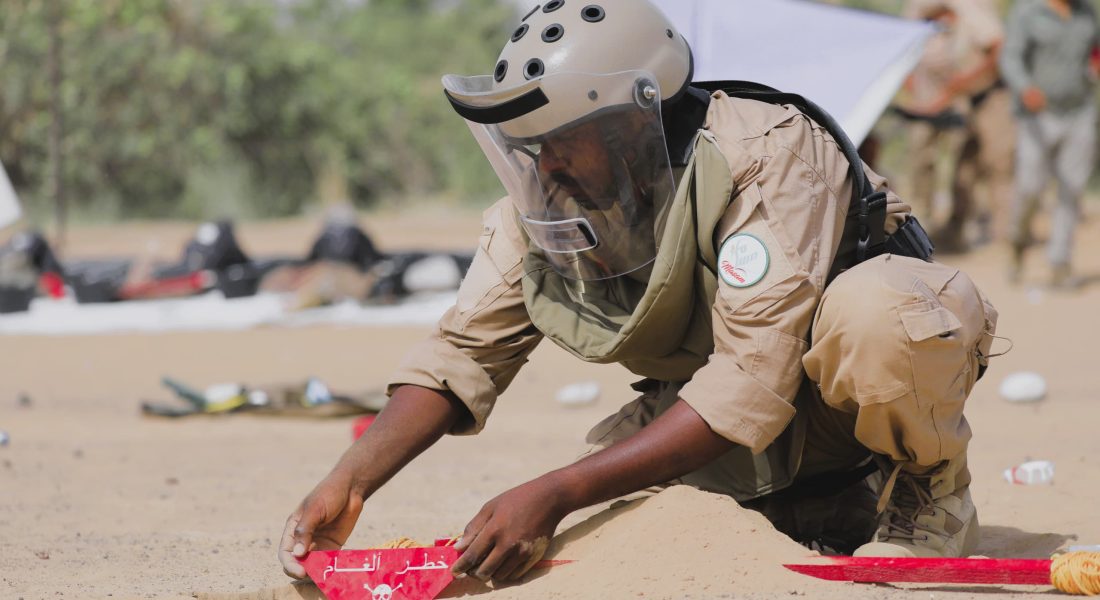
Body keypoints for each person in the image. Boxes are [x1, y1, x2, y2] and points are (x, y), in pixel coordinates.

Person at [280, 0, 1000, 582]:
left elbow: (750, 378)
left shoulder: (767, 151)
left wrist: (558, 491)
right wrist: (350, 481)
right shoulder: (550, 196)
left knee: (876, 314)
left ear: (630, 120)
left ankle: (929, 495)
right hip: (718, 422)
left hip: (826, 398)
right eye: (529, 143)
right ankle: (816, 505)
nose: (544, 160)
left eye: (560, 138)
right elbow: (465, 350)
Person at [1000, 0, 1100, 288]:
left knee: (1072, 187)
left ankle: (1060, 262)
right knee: (1031, 186)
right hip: (1037, 115)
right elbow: (1011, 57)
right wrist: (1024, 88)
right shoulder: (1027, 12)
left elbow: (1093, 50)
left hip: (1079, 111)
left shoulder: (1085, 12)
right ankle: (1018, 242)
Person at [902, 0, 1015, 252]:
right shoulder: (916, 13)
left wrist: (962, 85)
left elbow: (996, 47)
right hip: (937, 94)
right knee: (933, 163)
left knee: (984, 165)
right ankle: (928, 226)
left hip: (976, 95)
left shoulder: (973, 11)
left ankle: (999, 234)